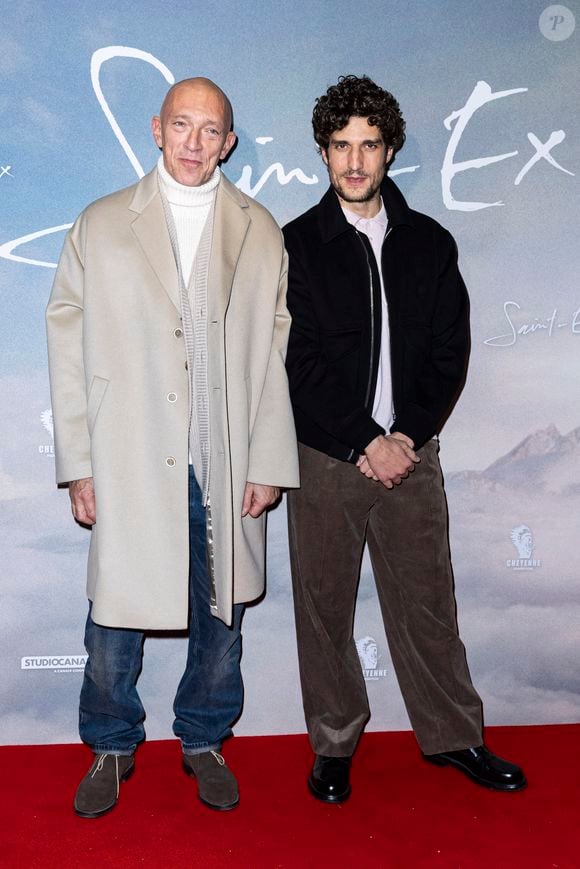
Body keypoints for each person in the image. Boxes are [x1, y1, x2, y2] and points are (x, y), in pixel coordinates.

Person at [46, 77, 298, 817]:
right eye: (181, 125)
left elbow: (273, 350)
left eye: (210, 129)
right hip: (128, 456)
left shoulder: (260, 228)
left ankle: (204, 739)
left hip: (224, 458)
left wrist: (267, 461)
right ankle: (111, 743)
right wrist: (79, 464)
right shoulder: (100, 224)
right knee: (114, 619)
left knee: (221, 620)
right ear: (156, 129)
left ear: (229, 141)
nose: (195, 141)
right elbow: (66, 343)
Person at [283, 75, 525, 803]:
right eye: (341, 146)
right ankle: (333, 746)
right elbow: (298, 363)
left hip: (414, 454)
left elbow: (450, 352)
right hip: (326, 458)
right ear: (323, 154)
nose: (355, 161)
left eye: (369, 144)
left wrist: (407, 435)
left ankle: (454, 735)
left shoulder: (429, 243)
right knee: (324, 609)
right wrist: (364, 440)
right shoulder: (295, 244)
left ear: (390, 151)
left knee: (428, 603)